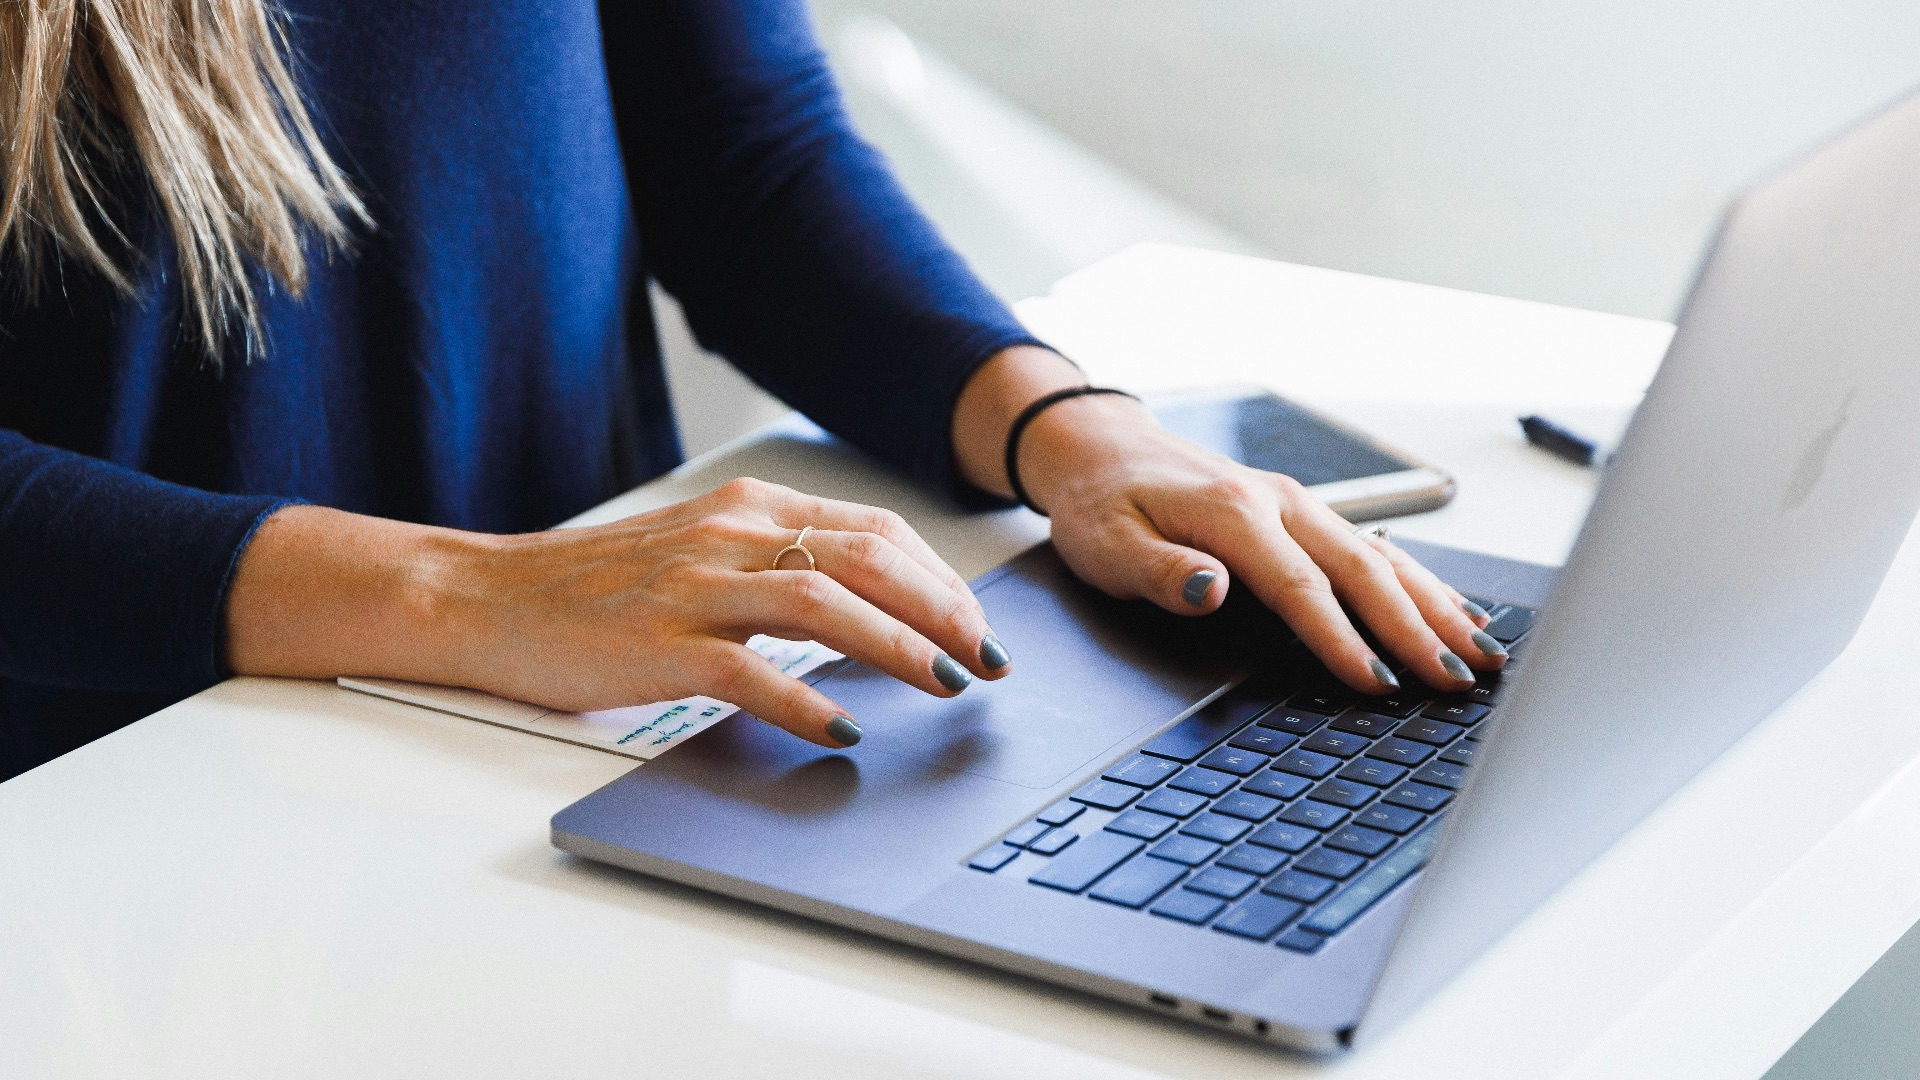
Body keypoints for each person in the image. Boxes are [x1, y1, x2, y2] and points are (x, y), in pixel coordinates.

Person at [0, 0, 1506, 781]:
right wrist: (462, 594)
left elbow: (741, 154)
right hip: (124, 787)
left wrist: (1071, 432)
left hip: (586, 729)